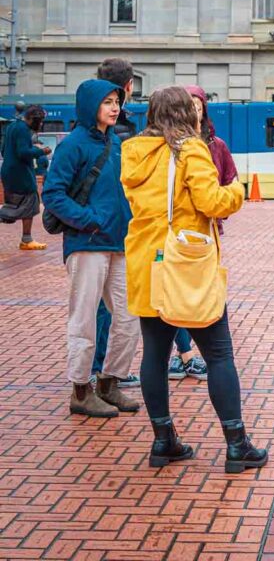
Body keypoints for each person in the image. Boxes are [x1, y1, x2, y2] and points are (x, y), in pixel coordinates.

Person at [121, 86, 267, 472]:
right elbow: (211, 202)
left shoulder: (134, 151)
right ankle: (237, 445)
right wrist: (236, 190)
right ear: (185, 113)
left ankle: (163, 440)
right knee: (219, 355)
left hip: (146, 262)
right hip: (184, 264)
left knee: (154, 354)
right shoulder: (190, 149)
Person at [42, 80, 141, 417]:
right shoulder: (73, 145)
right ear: (90, 106)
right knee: (83, 318)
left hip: (118, 243)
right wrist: (90, 220)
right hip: (87, 243)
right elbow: (53, 194)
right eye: (107, 102)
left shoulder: (114, 143)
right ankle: (81, 390)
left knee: (129, 317)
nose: (115, 108)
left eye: (117, 101)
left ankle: (109, 383)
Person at [166, 85, 238, 382]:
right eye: (188, 106)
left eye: (198, 105)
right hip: (180, 237)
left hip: (209, 231)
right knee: (179, 296)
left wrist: (223, 197)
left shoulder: (216, 145)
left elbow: (228, 178)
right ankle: (185, 355)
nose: (194, 110)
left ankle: (191, 353)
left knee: (203, 294)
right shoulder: (172, 147)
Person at [91, 57, 140, 389]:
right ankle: (104, 370)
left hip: (102, 229)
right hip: (112, 230)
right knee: (112, 307)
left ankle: (101, 369)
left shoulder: (93, 126)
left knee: (103, 306)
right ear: (129, 86)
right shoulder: (121, 130)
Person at [0, 105, 51, 250]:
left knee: (14, 203)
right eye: (39, 121)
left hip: (9, 171)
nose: (40, 124)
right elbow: (23, 152)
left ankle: (26, 239)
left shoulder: (12, 126)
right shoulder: (23, 129)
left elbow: (4, 150)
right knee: (30, 200)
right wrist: (41, 151)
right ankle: (26, 240)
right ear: (31, 119)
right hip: (20, 173)